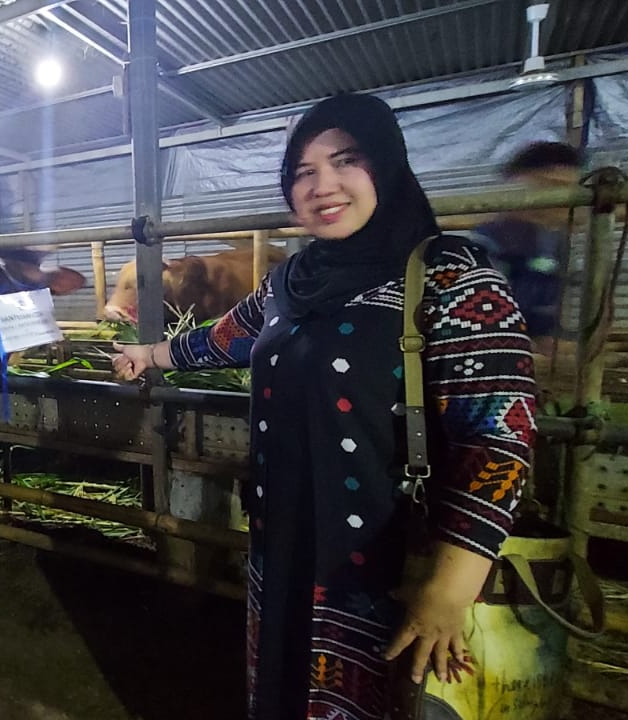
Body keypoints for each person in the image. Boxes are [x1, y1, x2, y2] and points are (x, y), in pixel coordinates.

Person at [111, 94, 538, 720]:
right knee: (280, 688)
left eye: (345, 161)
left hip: (383, 561)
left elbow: (499, 439)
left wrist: (451, 587)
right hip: (281, 544)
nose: (323, 185)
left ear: (386, 166)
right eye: (303, 171)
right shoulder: (290, 280)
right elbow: (228, 336)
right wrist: (151, 354)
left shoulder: (452, 278)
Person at [471, 141, 583, 360]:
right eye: (553, 187)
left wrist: (547, 340)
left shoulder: (554, 242)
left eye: (571, 190)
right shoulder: (485, 244)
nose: (566, 201)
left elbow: (542, 318)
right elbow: (479, 322)